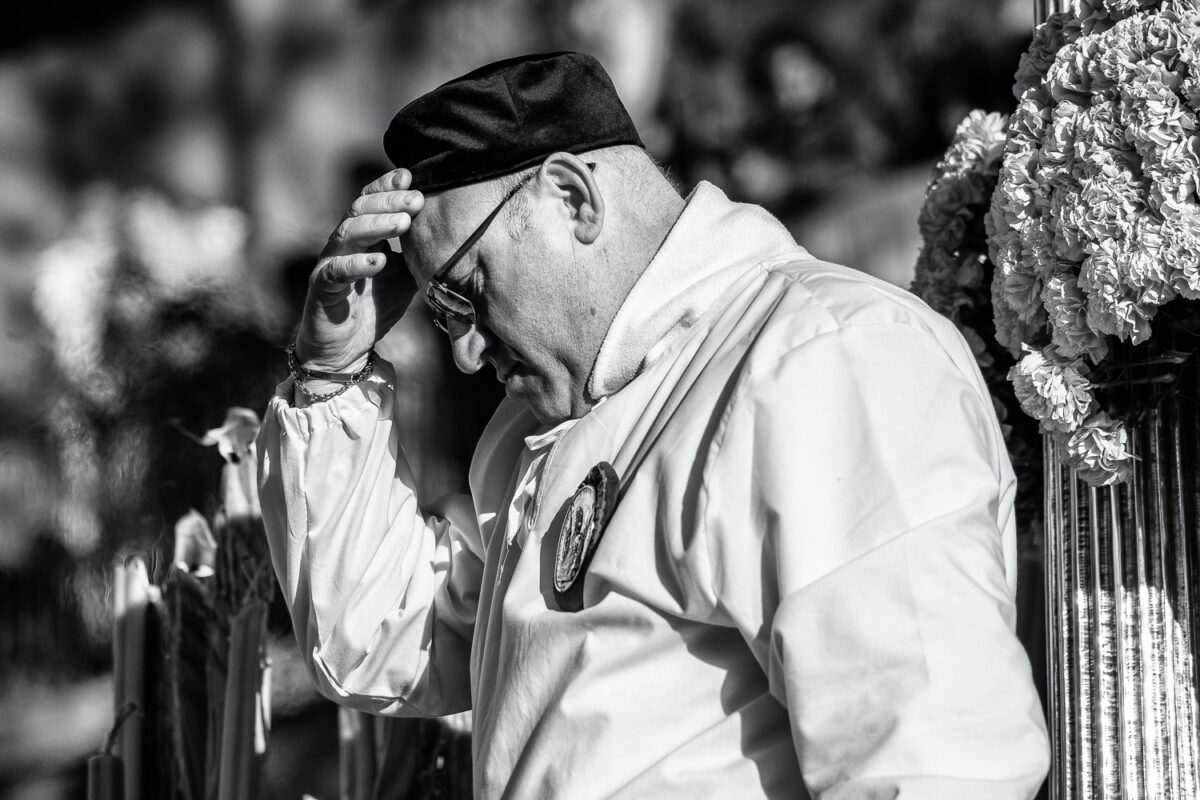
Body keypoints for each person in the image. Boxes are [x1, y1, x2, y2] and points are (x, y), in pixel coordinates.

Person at [257, 52, 1050, 799]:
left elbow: (930, 761)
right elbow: (390, 640)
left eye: (465, 292)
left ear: (574, 198)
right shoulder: (555, 419)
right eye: (437, 315)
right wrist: (328, 378)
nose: (463, 352)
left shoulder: (819, 354)